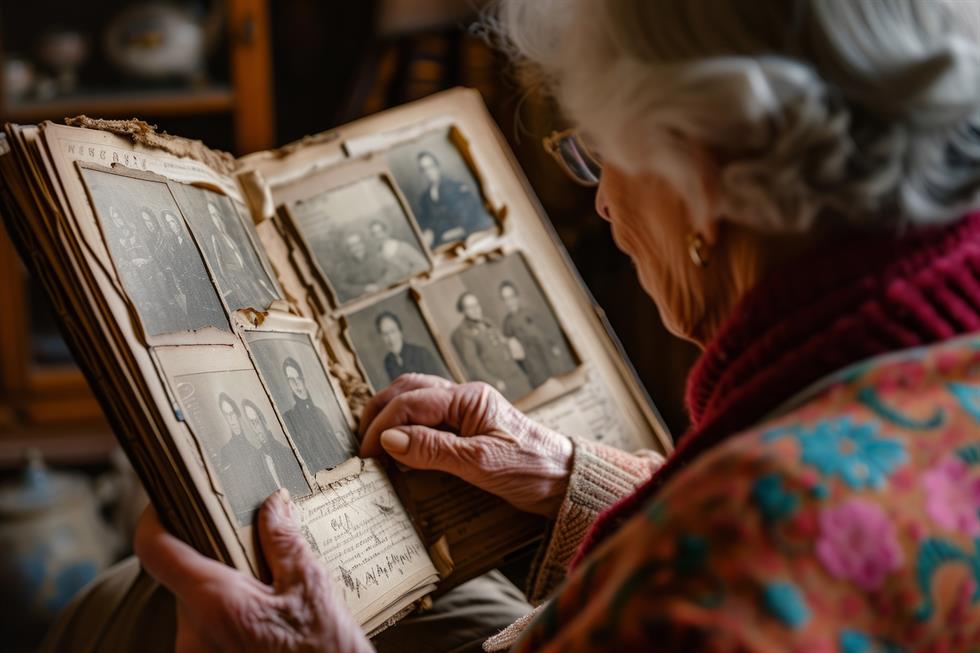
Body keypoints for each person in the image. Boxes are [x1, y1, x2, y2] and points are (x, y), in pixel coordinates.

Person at [47, 1, 980, 651]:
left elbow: (729, 554)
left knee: (125, 611)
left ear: (700, 177)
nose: (606, 204)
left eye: (601, 154)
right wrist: (574, 477)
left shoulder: (717, 562)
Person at [450, 291, 532, 401]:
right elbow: (473, 366)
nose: (475, 309)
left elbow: (503, 346)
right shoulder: (464, 333)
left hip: (516, 377)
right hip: (501, 384)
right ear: (463, 311)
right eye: (470, 307)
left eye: (476, 305)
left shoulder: (488, 322)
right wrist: (494, 382)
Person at [214, 393, 280, 524]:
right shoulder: (226, 451)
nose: (231, 419)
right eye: (227, 415)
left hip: (270, 511)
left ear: (238, 415)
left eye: (232, 413)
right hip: (249, 517)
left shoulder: (256, 445)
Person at [280, 356, 351, 472]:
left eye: (298, 379)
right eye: (291, 380)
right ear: (288, 384)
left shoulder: (320, 413)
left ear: (303, 380)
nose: (297, 384)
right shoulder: (289, 417)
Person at [415, 149, 496, 248]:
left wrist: (457, 231)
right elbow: (427, 219)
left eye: (430, 167)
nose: (428, 172)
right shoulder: (425, 198)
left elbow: (468, 215)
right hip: (441, 238)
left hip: (466, 234)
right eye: (424, 169)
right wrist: (428, 230)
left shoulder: (455, 187)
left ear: (437, 166)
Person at [499, 280, 572, 388]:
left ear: (517, 296)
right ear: (504, 302)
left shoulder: (531, 313)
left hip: (548, 358)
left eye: (511, 297)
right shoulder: (507, 324)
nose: (510, 301)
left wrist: (553, 347)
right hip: (533, 366)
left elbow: (548, 333)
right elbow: (515, 353)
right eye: (506, 299)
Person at [241, 398, 310, 498]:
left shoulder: (288, 454)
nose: (255, 429)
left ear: (265, 423)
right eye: (251, 424)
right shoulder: (255, 464)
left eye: (256, 422)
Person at [329, 229, 404, 301]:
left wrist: (380, 285)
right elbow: (341, 287)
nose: (356, 247)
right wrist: (364, 289)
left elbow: (394, 271)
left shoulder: (377, 256)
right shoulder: (343, 267)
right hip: (364, 302)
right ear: (347, 249)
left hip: (387, 295)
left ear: (363, 243)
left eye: (358, 243)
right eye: (352, 246)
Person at [375, 310, 446, 382]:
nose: (390, 338)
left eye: (392, 331)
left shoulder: (421, 353)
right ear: (381, 337)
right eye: (385, 334)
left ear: (400, 331)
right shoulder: (388, 361)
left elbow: (440, 381)